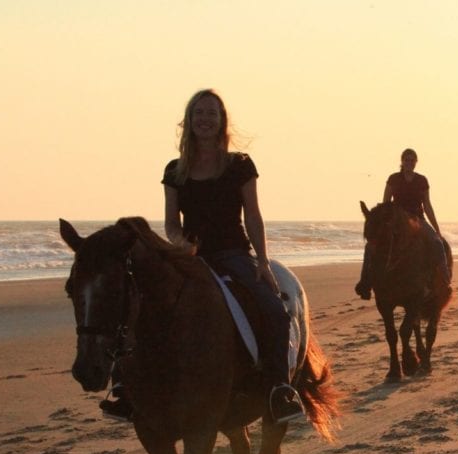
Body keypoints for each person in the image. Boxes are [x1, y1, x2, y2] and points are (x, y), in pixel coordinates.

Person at [99, 89, 304, 424]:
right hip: (190, 257)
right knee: (137, 304)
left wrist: (263, 261)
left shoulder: (239, 165)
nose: (205, 119)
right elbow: (170, 223)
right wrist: (180, 243)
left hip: (233, 253)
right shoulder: (176, 169)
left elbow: (253, 216)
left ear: (222, 121)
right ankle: (125, 387)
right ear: (189, 121)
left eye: (212, 113)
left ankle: (279, 388)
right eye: (199, 113)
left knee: (273, 310)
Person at [355, 148, 451, 300]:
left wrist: (436, 228)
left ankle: (444, 281)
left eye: (412, 160)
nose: (409, 163)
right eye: (407, 160)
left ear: (416, 163)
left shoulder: (422, 180)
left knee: (437, 243)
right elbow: (386, 203)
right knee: (370, 246)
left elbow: (427, 205)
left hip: (417, 219)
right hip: (397, 220)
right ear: (402, 161)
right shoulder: (393, 179)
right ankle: (365, 283)